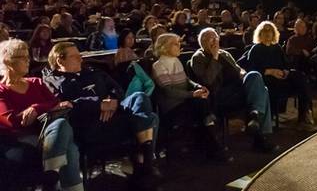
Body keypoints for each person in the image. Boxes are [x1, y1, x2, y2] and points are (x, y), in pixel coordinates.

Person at [43, 42, 161, 187]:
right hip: (91, 125)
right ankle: (144, 164)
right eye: (75, 57)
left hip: (116, 116)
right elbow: (64, 105)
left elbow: (117, 89)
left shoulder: (92, 71)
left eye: (80, 56)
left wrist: (112, 100)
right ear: (60, 61)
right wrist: (99, 104)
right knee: (151, 119)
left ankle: (144, 163)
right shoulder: (53, 81)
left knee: (139, 97)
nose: (80, 59)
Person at [0, 39, 83, 191]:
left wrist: (36, 108)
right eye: (22, 57)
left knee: (61, 125)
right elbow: (13, 122)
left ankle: (51, 176)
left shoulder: (36, 82)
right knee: (70, 148)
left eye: (28, 56)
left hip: (46, 131)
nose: (28, 60)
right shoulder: (2, 90)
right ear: (8, 62)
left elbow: (57, 103)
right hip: (20, 138)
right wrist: (46, 109)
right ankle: (53, 179)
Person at [188, 28, 278, 152]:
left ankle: (255, 118)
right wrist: (214, 57)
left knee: (254, 76)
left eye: (216, 38)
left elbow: (238, 69)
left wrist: (244, 74)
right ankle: (259, 135)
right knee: (263, 91)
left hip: (237, 89)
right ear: (203, 42)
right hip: (220, 95)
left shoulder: (224, 54)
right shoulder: (198, 58)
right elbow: (207, 80)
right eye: (210, 38)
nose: (214, 41)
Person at [151, 33, 231, 162]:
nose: (179, 46)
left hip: (185, 101)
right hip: (172, 106)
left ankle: (212, 147)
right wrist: (192, 94)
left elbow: (186, 80)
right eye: (175, 44)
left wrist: (198, 86)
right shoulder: (158, 66)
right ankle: (214, 148)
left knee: (203, 101)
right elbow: (169, 91)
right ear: (165, 47)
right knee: (202, 106)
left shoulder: (176, 61)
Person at [247, 21, 317, 131]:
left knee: (300, 77)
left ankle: (304, 115)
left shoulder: (277, 48)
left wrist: (285, 72)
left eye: (270, 30)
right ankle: (304, 116)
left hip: (280, 77)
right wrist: (270, 71)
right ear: (260, 33)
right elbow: (252, 71)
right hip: (266, 80)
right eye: (265, 30)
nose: (268, 33)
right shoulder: (256, 49)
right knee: (290, 82)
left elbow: (286, 64)